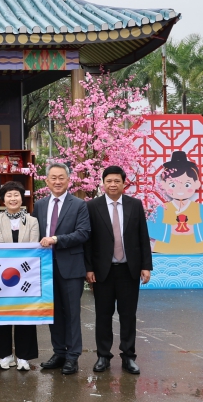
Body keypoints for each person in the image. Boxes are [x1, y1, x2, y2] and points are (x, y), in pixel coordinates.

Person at [85, 166, 153, 375]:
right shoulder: (93, 206)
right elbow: (88, 240)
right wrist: (88, 269)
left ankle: (128, 356)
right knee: (103, 315)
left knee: (128, 315)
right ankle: (103, 356)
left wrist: (146, 266)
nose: (113, 184)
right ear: (102, 183)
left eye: (117, 181)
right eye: (109, 181)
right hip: (102, 271)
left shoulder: (135, 205)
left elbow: (143, 236)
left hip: (129, 270)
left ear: (124, 183)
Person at [32, 163, 91, 375]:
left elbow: (84, 233)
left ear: (69, 180)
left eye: (61, 178)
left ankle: (73, 356)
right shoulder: (39, 205)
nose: (57, 182)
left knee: (72, 313)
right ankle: (59, 352)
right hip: (46, 268)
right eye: (53, 178)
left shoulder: (79, 205)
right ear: (46, 181)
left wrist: (56, 239)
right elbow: (33, 233)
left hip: (71, 267)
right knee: (52, 312)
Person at [0, 181, 40, 371]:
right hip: (2, 274)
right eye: (9, 195)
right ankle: (4, 355)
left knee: (25, 313)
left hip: (26, 274)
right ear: (3, 199)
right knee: (2, 313)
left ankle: (23, 356)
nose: (13, 198)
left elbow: (33, 244)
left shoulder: (32, 220)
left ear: (22, 198)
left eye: (16, 195)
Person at [146, 151, 203, 254]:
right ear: (164, 185)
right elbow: (150, 228)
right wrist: (170, 229)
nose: (180, 189)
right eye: (173, 185)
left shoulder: (199, 209)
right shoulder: (161, 208)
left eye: (187, 185)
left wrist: (193, 229)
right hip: (165, 251)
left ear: (196, 184)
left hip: (197, 251)